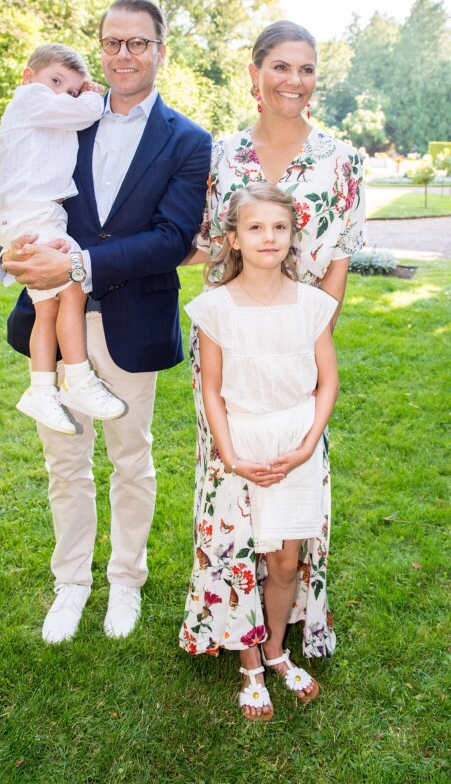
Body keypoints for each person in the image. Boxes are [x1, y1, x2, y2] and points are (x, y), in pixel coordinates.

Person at [0, 0, 212, 642]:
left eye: (139, 43)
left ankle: (126, 580)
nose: (125, 54)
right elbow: (23, 188)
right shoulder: (70, 115)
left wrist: (80, 267)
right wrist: (10, 254)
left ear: (160, 51)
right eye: (113, 42)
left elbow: (175, 236)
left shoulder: (187, 139)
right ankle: (71, 583)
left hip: (130, 319)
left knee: (129, 456)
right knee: (64, 460)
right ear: (101, 48)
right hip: (53, 320)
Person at [179, 21, 365, 685]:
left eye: (306, 68)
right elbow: (201, 239)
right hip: (231, 346)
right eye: (280, 66)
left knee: (292, 480)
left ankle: (286, 622)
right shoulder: (220, 155)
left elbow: (338, 255)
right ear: (254, 73)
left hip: (300, 346)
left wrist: (313, 338)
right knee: (234, 485)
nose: (294, 80)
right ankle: (236, 628)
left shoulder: (343, 159)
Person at [183, 183, 339, 719]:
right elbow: (211, 390)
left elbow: (328, 384)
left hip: (295, 444)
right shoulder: (215, 308)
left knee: (283, 559)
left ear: (293, 235)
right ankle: (249, 661)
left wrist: (306, 446)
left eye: (278, 227)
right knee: (239, 558)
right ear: (233, 238)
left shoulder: (314, 304)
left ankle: (275, 648)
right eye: (255, 227)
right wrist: (228, 456)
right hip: (240, 446)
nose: (268, 237)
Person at [0, 43, 126, 435]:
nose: (61, 94)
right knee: (72, 290)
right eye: (55, 81)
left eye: (69, 89)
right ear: (28, 76)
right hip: (31, 211)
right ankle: (78, 380)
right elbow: (83, 113)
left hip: (37, 212)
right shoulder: (31, 98)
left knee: (50, 306)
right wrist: (89, 94)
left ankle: (42, 389)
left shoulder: (40, 112)